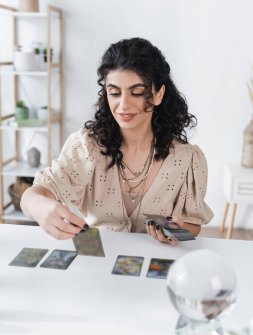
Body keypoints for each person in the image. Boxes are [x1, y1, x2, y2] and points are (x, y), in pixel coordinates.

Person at [21, 37, 213, 244]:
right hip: (99, 260)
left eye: (137, 92)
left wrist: (179, 230)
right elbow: (34, 194)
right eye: (114, 92)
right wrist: (39, 207)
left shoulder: (187, 159)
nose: (123, 105)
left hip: (157, 266)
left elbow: (194, 227)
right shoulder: (87, 146)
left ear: (158, 94)